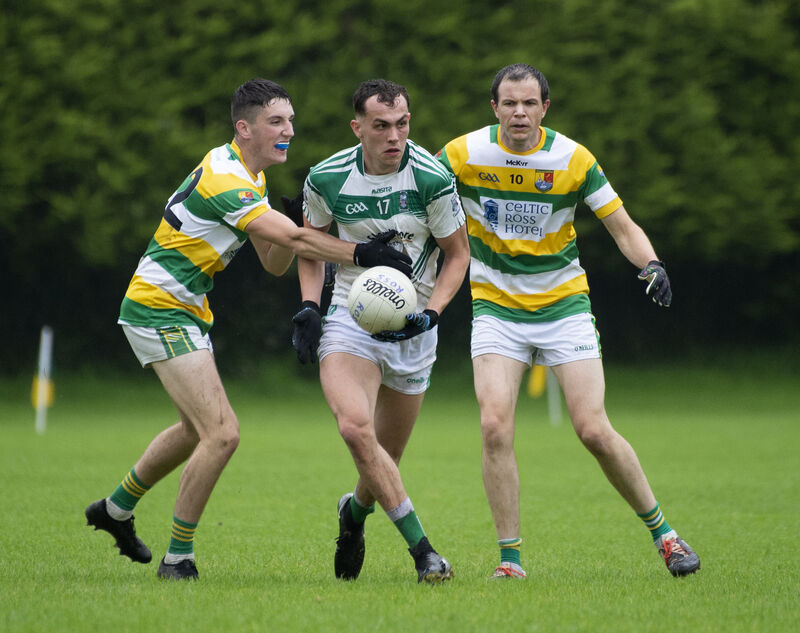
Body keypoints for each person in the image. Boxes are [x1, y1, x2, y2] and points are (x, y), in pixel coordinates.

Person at [84, 78, 412, 581]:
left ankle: (115, 510)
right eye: (276, 122)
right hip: (159, 308)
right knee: (222, 433)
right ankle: (178, 559)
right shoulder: (226, 180)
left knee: (195, 430)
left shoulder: (248, 176)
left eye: (291, 121)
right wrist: (361, 253)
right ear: (244, 128)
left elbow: (276, 261)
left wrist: (291, 227)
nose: (289, 131)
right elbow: (300, 242)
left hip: (185, 308)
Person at [437, 63, 700, 579]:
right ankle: (510, 563)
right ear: (494, 108)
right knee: (494, 426)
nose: (519, 112)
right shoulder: (462, 155)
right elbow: (418, 201)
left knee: (593, 429)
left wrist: (651, 265)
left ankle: (666, 536)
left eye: (529, 103)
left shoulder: (573, 159)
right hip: (495, 306)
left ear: (544, 108)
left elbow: (622, 227)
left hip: (563, 306)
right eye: (509, 103)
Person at [288, 79, 470, 583]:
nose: (395, 136)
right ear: (358, 127)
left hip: (414, 324)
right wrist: (309, 306)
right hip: (351, 315)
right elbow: (309, 243)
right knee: (354, 429)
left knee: (383, 457)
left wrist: (431, 314)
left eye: (403, 124)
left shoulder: (432, 178)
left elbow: (457, 256)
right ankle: (424, 552)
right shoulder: (326, 178)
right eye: (382, 126)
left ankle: (354, 517)